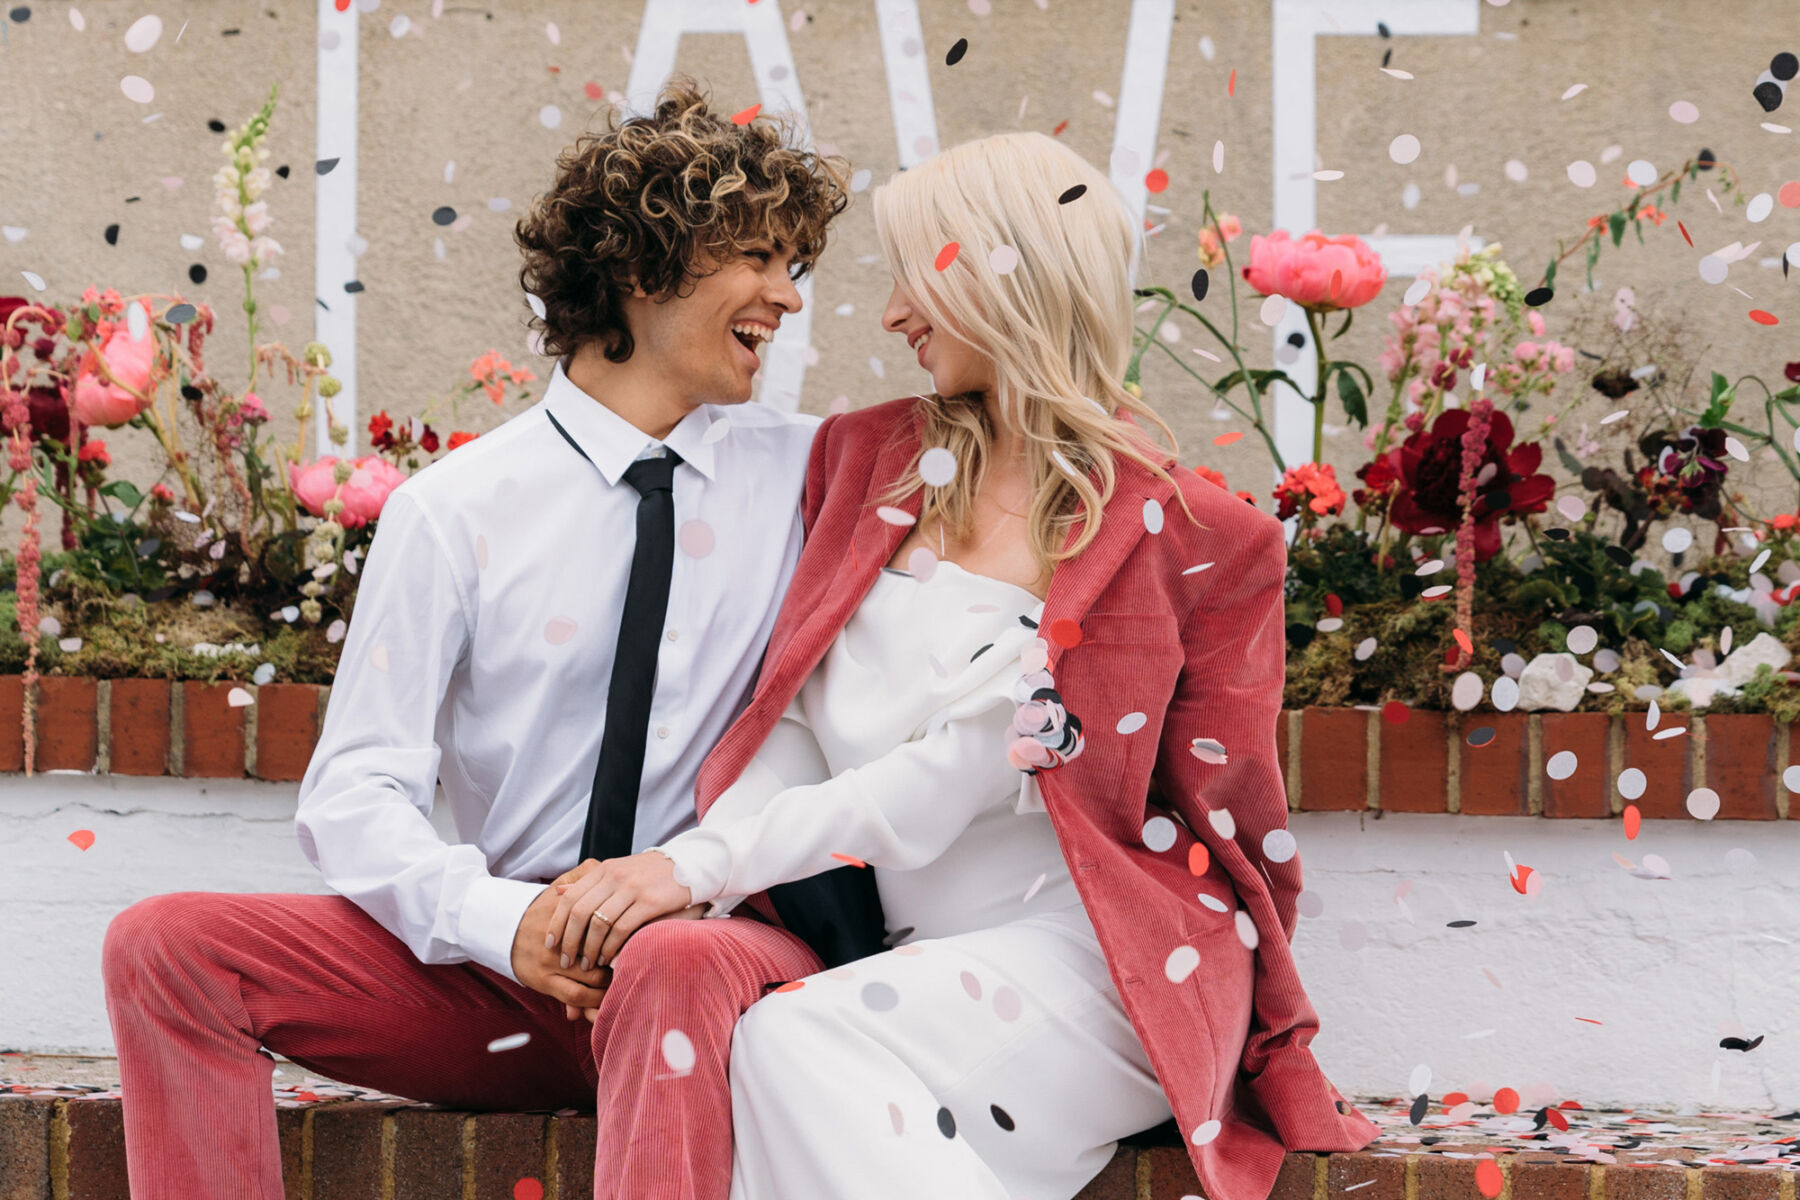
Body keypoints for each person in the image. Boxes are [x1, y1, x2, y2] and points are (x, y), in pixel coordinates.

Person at [545, 129, 1380, 1200]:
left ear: (1006, 275)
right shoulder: (867, 461)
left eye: (912, 280)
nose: (891, 315)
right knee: (788, 1058)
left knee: (794, 1047)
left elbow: (959, 771)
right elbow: (791, 718)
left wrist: (693, 866)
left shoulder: (1188, 535)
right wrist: (711, 873)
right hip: (901, 963)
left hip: (1107, 966)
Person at [98, 78, 855, 1199]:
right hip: (519, 985)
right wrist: (510, 925)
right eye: (757, 257)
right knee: (164, 947)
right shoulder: (454, 509)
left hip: (723, 961)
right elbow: (354, 791)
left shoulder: (821, 473)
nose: (787, 297)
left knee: (676, 955)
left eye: (795, 264)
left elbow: (1022, 429)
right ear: (643, 269)